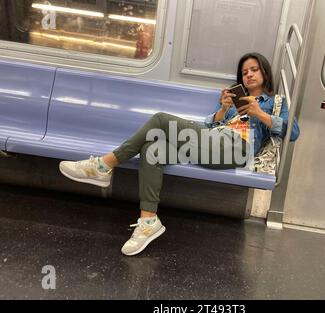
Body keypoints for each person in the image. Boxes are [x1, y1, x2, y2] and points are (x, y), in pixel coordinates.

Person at [59, 52, 300, 256]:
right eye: (245, 72)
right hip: (211, 142)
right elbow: (208, 128)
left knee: (160, 120)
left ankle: (103, 166)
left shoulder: (274, 102)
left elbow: (294, 132)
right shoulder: (235, 102)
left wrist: (260, 113)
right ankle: (148, 221)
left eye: (254, 70)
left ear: (264, 74)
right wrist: (223, 109)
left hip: (235, 149)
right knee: (151, 151)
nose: (248, 75)